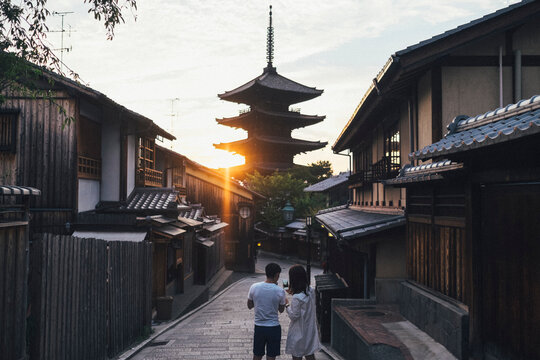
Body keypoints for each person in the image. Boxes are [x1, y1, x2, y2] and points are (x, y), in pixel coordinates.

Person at [247, 262, 287, 360]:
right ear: (277, 275)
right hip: (274, 327)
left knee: (257, 354)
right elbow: (281, 310)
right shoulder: (279, 291)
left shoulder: (254, 287)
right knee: (271, 356)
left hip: (259, 326)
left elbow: (249, 305)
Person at [285, 264, 321, 360]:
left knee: (297, 355)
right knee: (309, 353)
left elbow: (294, 316)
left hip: (298, 330)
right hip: (309, 328)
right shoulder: (311, 290)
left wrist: (287, 305)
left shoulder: (297, 297)